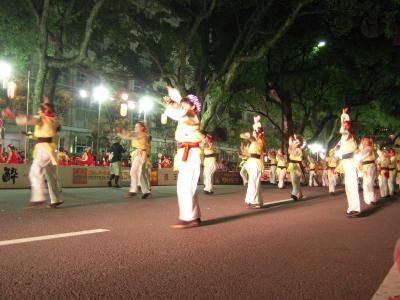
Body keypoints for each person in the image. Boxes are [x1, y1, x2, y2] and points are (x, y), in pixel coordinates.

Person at [1, 102, 63, 208]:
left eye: (40, 110)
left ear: (45, 111)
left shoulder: (42, 118)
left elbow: (29, 119)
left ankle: (38, 198)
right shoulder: (54, 120)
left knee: (34, 172)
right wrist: (29, 135)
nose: (38, 112)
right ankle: (56, 199)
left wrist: (14, 115)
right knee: (51, 177)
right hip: (50, 153)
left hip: (43, 150)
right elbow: (41, 134)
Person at [164, 87, 203, 228]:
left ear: (193, 106)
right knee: (186, 185)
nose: (183, 105)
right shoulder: (184, 116)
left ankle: (188, 218)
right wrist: (171, 102)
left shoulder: (192, 116)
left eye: (186, 103)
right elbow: (177, 112)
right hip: (185, 153)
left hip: (191, 152)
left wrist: (175, 98)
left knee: (185, 185)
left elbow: (180, 111)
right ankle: (194, 216)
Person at [117, 122, 151, 199]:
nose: (135, 128)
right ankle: (146, 191)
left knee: (133, 171)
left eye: (137, 126)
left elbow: (129, 135)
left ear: (142, 128)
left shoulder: (140, 134)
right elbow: (129, 135)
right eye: (135, 126)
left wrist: (121, 132)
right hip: (139, 154)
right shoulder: (143, 134)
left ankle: (133, 190)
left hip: (140, 154)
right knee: (140, 173)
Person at [336, 120, 361, 217]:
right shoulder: (343, 138)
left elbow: (343, 131)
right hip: (345, 162)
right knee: (348, 187)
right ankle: (351, 208)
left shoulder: (348, 135)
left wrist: (343, 116)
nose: (344, 127)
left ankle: (355, 209)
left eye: (346, 125)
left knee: (352, 185)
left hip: (350, 162)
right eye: (343, 125)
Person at [240, 115, 265, 209]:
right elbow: (248, 153)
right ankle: (256, 201)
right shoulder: (254, 143)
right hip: (252, 162)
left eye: (255, 131)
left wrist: (255, 123)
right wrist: (242, 149)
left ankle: (254, 201)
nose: (253, 132)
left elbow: (252, 137)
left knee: (254, 182)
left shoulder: (258, 141)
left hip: (256, 163)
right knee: (253, 182)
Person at [358, 136, 377, 205]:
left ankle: (372, 199)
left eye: (367, 140)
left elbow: (365, 152)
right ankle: (369, 199)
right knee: (366, 183)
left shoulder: (370, 148)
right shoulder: (362, 148)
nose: (366, 141)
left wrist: (360, 149)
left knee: (369, 183)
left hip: (370, 166)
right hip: (364, 167)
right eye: (364, 140)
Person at [288, 135, 304, 201]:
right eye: (295, 141)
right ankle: (300, 194)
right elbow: (290, 152)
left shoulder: (298, 149)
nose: (295, 142)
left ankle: (294, 194)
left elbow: (293, 153)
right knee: (295, 181)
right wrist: (291, 144)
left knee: (295, 180)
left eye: (297, 141)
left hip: (297, 165)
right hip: (292, 165)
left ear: (299, 142)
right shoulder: (292, 147)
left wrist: (292, 145)